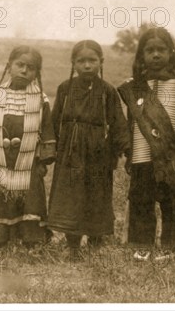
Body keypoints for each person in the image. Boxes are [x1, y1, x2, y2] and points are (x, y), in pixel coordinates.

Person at [117, 27, 175, 262]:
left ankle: (173, 247)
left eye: (161, 50)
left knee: (173, 200)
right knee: (142, 200)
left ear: (171, 53)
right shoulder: (134, 87)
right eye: (149, 50)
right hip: (143, 154)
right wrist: (130, 152)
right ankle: (142, 246)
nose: (155, 55)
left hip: (172, 155)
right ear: (141, 55)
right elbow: (133, 122)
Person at [47, 40, 130, 252]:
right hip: (70, 152)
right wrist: (49, 148)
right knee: (70, 194)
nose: (86, 65)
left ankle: (95, 241)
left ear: (101, 62)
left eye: (92, 60)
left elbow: (118, 122)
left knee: (97, 194)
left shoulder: (107, 91)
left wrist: (125, 150)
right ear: (73, 63)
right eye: (81, 61)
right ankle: (72, 242)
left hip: (97, 153)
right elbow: (54, 121)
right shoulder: (65, 89)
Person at [0, 46, 56, 249]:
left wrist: (44, 159)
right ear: (9, 66)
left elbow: (47, 129)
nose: (24, 71)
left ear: (36, 73)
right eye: (19, 65)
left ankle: (32, 240)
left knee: (30, 198)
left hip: (28, 160)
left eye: (31, 68)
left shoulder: (40, 100)